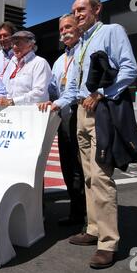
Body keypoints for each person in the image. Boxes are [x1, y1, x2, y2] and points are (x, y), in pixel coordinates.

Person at [39, 0, 137, 269]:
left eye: (82, 9)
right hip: (81, 113)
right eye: (74, 11)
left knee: (101, 176)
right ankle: (93, 229)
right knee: (88, 176)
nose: (78, 14)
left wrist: (102, 93)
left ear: (97, 9)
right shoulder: (80, 43)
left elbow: (130, 69)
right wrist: (54, 103)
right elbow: (72, 88)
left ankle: (108, 243)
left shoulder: (111, 32)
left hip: (101, 111)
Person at [48, 14, 86, 228]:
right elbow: (54, 89)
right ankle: (76, 213)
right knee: (67, 166)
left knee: (82, 168)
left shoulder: (84, 51)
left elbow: (76, 90)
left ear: (79, 28)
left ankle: (89, 217)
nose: (65, 32)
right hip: (63, 117)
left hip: (79, 113)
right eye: (62, 29)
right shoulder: (58, 61)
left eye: (69, 27)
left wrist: (58, 102)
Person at [0, 30, 52, 106]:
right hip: (11, 112)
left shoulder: (39, 62)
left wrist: (13, 101)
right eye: (13, 44)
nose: (14, 47)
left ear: (31, 45)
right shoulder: (12, 63)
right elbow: (5, 87)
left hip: (31, 113)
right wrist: (1, 98)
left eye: (18, 43)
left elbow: (39, 93)